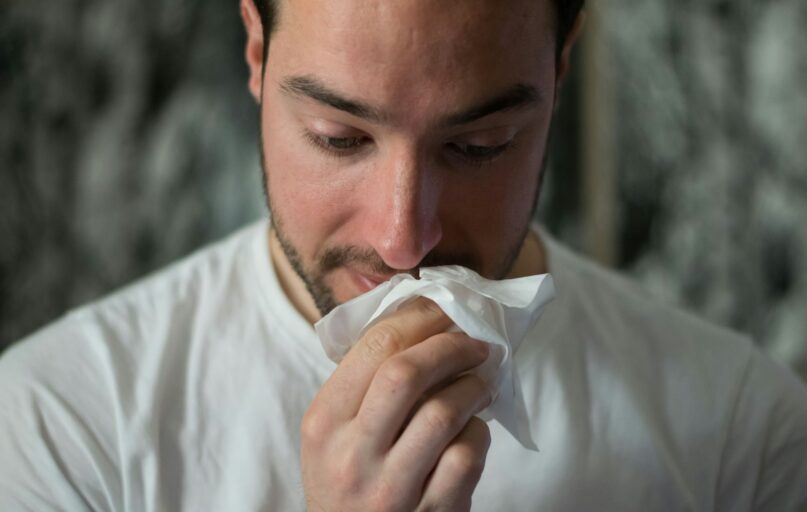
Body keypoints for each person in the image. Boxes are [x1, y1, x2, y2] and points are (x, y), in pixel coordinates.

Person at [1, 0, 806, 510]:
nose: (402, 239)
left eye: (479, 145)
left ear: (557, 72)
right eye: (339, 138)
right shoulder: (62, 426)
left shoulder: (740, 436)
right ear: (255, 51)